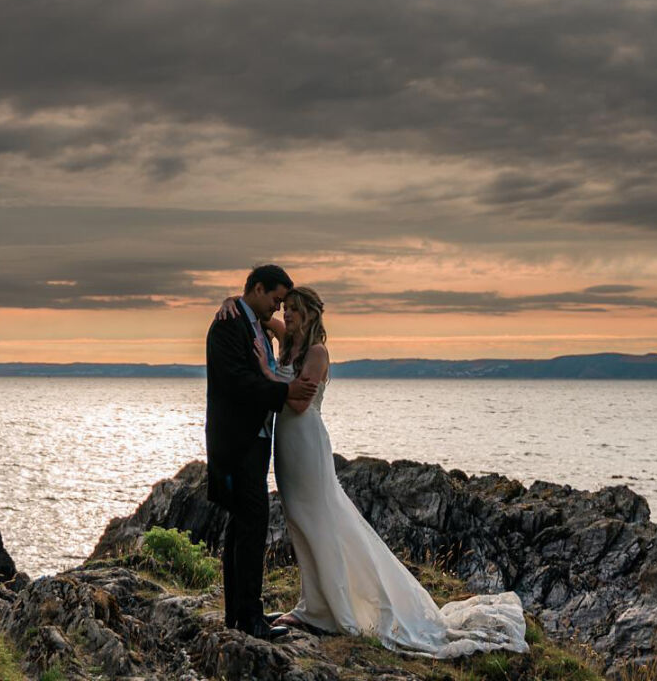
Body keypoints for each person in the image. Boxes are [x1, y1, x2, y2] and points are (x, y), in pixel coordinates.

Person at [240, 283, 528, 657]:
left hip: (306, 443)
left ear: (309, 314)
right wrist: (233, 306)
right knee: (299, 521)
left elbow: (298, 404)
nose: (286, 315)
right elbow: (258, 316)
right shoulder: (289, 341)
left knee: (321, 522)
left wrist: (265, 371)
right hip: (287, 447)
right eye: (285, 308)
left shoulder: (316, 352)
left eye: (293, 309)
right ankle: (314, 604)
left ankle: (333, 610)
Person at [204, 263, 319, 640]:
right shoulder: (227, 325)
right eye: (275, 299)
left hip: (257, 443)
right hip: (235, 443)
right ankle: (249, 618)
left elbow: (274, 357)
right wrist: (283, 392)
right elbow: (236, 381)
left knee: (244, 527)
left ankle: (241, 614)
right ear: (256, 289)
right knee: (249, 526)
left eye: (285, 303)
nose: (278, 308)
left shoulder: (257, 324)